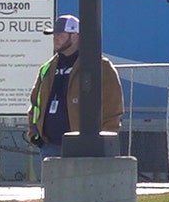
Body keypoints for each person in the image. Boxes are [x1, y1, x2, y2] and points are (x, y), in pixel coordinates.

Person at [27, 14, 124, 166]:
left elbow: (113, 108)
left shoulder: (98, 66)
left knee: (82, 189)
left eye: (60, 35)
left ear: (75, 36)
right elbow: (35, 104)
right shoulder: (47, 68)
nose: (55, 38)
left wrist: (103, 141)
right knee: (54, 190)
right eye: (54, 35)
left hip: (84, 149)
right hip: (49, 147)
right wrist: (35, 135)